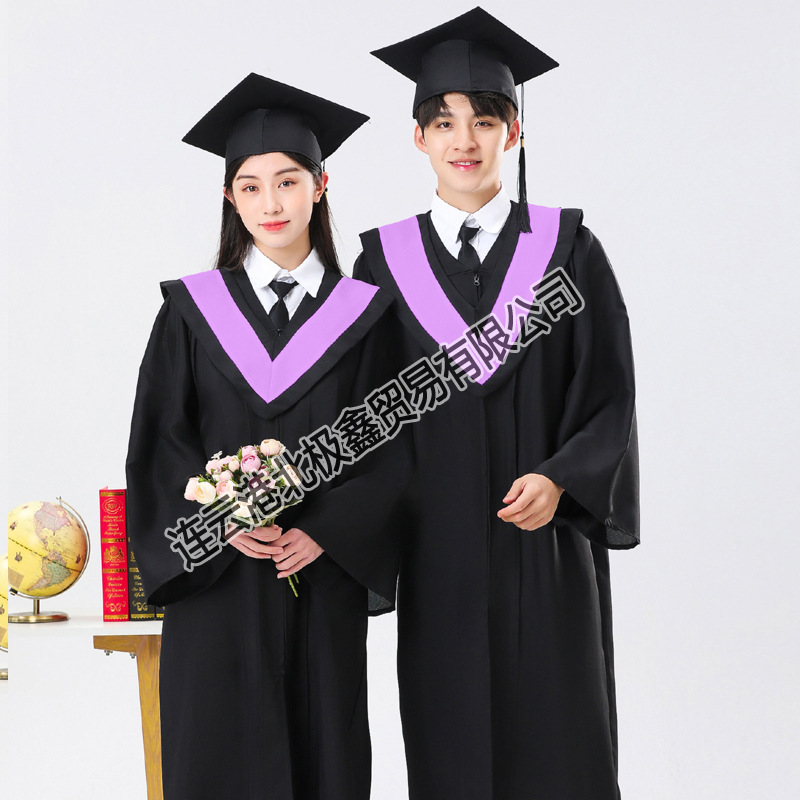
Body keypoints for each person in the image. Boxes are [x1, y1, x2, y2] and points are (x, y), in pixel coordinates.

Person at [356, 8, 640, 799]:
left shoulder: (568, 249)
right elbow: (365, 417)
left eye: (485, 120)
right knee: (450, 746)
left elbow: (610, 392)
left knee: (559, 740)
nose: (465, 140)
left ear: (513, 132)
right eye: (444, 122)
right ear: (418, 138)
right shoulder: (383, 265)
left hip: (544, 549)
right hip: (437, 554)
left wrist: (562, 478)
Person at [125, 73, 407, 800]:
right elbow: (160, 444)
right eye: (250, 188)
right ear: (230, 198)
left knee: (324, 758)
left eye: (287, 182)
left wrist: (328, 531)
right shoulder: (191, 314)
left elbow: (392, 448)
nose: (271, 204)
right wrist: (219, 520)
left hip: (318, 580)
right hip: (217, 586)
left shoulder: (365, 316)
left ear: (320, 185)